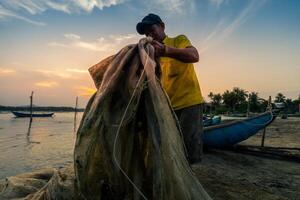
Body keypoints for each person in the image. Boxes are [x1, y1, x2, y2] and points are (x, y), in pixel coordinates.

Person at [136, 13, 205, 164]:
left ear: (162, 26)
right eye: (146, 33)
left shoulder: (178, 40)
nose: (150, 35)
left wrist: (166, 50)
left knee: (188, 153)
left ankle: (186, 182)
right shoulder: (150, 54)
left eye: (152, 29)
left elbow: (194, 55)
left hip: (189, 105)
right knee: (170, 151)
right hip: (167, 109)